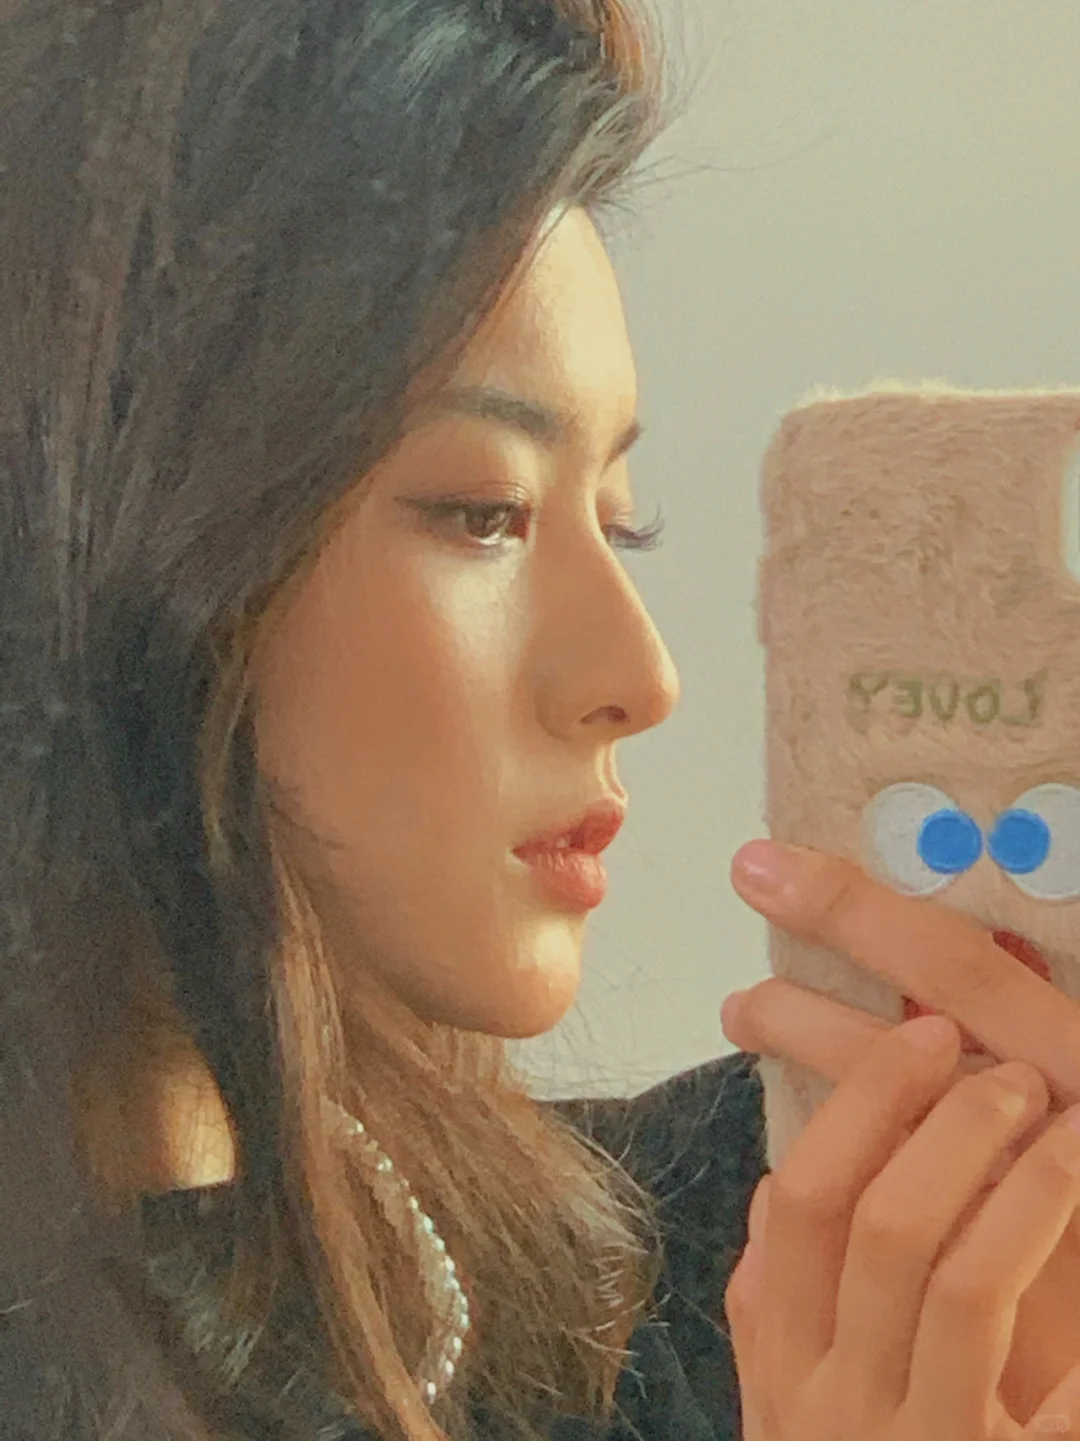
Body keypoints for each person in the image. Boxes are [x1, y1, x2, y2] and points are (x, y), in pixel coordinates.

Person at [0, 2, 768, 1438]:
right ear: (117, 536)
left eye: (620, 519)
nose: (640, 674)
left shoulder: (713, 1268)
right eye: (485, 512)